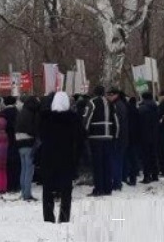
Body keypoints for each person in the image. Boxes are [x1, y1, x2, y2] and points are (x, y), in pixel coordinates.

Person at [39, 92, 84, 223]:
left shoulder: (46, 119)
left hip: (48, 158)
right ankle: (64, 216)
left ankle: (48, 216)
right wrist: (77, 158)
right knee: (66, 190)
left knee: (47, 189)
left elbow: (40, 137)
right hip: (67, 158)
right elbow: (80, 140)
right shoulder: (73, 120)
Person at [84, 85, 119, 196]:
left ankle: (98, 188)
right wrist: (116, 135)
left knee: (97, 164)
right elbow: (116, 121)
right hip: (108, 137)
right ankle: (108, 188)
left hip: (95, 137)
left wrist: (84, 133)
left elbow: (87, 118)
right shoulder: (110, 103)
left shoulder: (92, 102)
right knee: (107, 163)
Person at [15, 95, 40, 201]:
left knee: (24, 168)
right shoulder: (33, 113)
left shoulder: (21, 113)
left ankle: (23, 191)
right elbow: (34, 128)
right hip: (29, 142)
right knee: (29, 169)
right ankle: (27, 194)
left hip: (19, 142)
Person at [138, 92, 160, 183]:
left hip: (144, 135)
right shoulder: (156, 107)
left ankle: (147, 176)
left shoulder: (142, 108)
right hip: (155, 134)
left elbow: (139, 122)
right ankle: (155, 175)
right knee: (154, 155)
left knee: (145, 156)